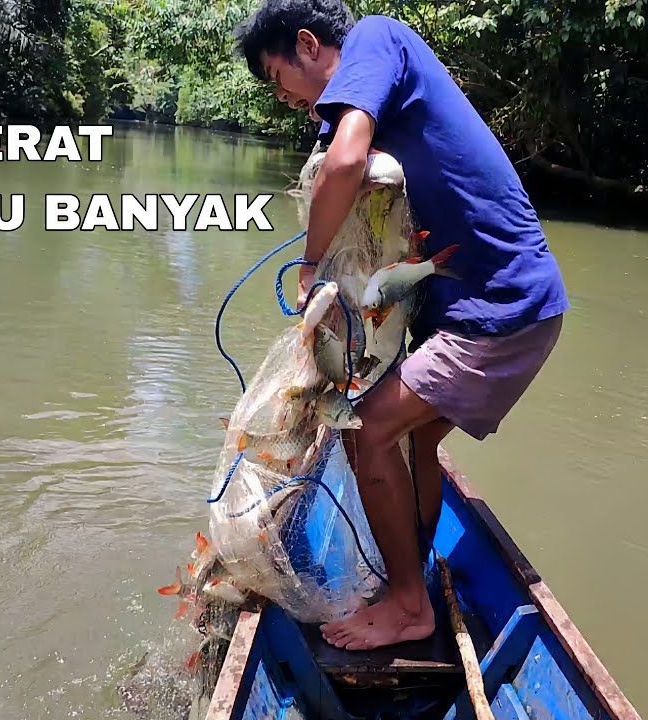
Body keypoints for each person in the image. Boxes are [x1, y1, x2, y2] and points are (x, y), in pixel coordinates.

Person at [233, 0, 568, 651]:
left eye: (279, 78)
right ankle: (408, 563)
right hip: (492, 308)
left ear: (308, 43)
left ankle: (410, 607)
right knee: (413, 439)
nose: (283, 98)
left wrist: (309, 267)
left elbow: (346, 164)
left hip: (502, 311)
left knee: (370, 430)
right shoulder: (379, 92)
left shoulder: (376, 40)